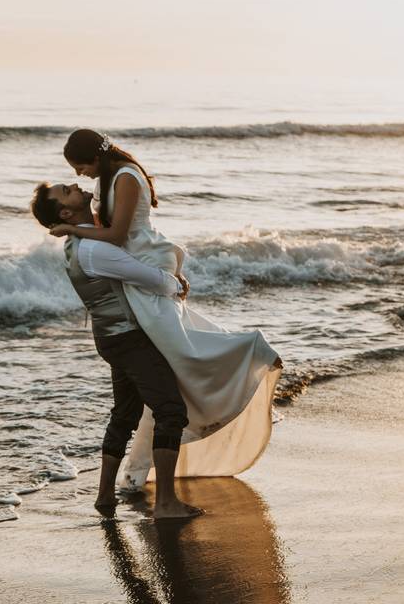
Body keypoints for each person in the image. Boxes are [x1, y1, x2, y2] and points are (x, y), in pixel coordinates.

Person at [50, 129, 282, 492]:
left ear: (95, 159)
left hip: (145, 270)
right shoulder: (109, 179)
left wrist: (70, 229)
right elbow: (109, 236)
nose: (79, 176)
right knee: (163, 375)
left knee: (182, 351)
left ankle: (253, 352)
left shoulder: (124, 177)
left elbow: (116, 235)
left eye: (79, 167)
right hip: (139, 273)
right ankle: (137, 475)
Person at [30, 182, 201, 519]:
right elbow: (150, 279)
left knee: (124, 414)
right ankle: (166, 503)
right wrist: (175, 282)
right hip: (129, 339)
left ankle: (105, 496)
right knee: (170, 411)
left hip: (111, 337)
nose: (76, 185)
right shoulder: (95, 250)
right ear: (66, 212)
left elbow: (113, 223)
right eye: (67, 190)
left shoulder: (81, 242)